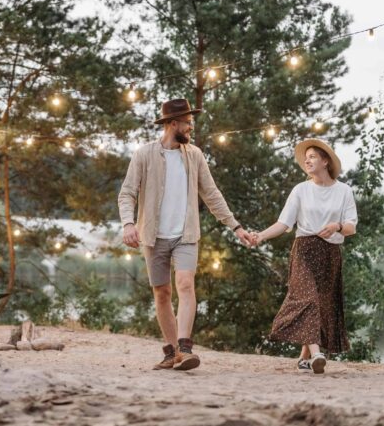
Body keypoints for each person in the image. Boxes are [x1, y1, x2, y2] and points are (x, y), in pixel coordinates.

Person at [118, 98, 254, 371]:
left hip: (186, 235)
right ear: (172, 124)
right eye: (187, 123)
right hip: (153, 236)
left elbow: (212, 194)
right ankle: (171, 353)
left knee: (185, 284)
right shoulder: (144, 154)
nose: (191, 128)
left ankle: (184, 347)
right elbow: (127, 192)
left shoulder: (195, 155)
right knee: (162, 293)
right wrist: (128, 223)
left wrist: (235, 226)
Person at [252, 138, 357, 374]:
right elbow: (283, 223)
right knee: (307, 299)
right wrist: (260, 236)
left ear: (325, 161)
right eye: (305, 157)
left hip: (330, 254)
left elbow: (352, 227)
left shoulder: (343, 191)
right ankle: (317, 354)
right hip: (304, 250)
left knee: (322, 305)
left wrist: (337, 226)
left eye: (312, 156)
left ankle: (303, 358)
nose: (307, 161)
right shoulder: (301, 189)